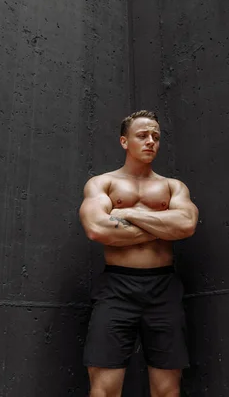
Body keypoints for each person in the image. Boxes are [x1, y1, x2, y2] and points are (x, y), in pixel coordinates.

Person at [79, 110, 199, 397]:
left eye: (156, 137)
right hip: (116, 289)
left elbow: (186, 224)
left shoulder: (173, 186)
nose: (150, 142)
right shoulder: (103, 184)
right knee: (104, 390)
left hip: (164, 289)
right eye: (142, 135)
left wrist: (127, 213)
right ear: (124, 141)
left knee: (168, 390)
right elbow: (97, 228)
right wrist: (163, 226)